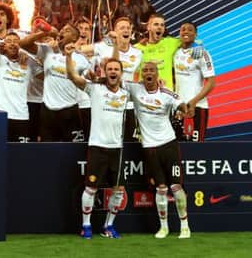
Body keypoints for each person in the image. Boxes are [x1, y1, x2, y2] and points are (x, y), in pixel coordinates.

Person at [124, 62, 192, 239]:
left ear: (157, 74)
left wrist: (185, 110)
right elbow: (114, 83)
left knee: (176, 186)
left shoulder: (167, 93)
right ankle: (164, 227)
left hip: (169, 144)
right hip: (149, 147)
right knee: (161, 188)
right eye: (145, 70)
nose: (148, 73)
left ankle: (185, 226)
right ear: (141, 74)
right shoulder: (135, 89)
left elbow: (181, 104)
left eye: (151, 70)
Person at [66, 53, 129, 239]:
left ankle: (109, 226)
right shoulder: (95, 89)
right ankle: (86, 226)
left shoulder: (126, 93)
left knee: (119, 190)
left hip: (117, 148)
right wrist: (69, 55)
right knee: (91, 188)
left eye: (116, 69)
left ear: (121, 73)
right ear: (105, 72)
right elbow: (73, 76)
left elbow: (147, 92)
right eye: (110, 69)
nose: (113, 72)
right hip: (97, 146)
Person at [20, 23, 89, 142]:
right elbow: (23, 44)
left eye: (66, 30)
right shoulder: (48, 51)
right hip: (48, 110)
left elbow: (87, 81)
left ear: (74, 37)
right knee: (48, 150)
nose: (61, 31)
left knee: (73, 151)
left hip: (70, 109)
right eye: (61, 29)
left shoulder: (81, 59)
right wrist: (45, 33)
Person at [93, 17, 143, 142]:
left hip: (129, 104)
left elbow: (136, 78)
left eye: (128, 28)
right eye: (122, 28)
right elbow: (113, 64)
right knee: (109, 139)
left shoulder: (138, 53)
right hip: (108, 102)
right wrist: (113, 44)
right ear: (114, 31)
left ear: (131, 32)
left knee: (129, 141)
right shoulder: (104, 48)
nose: (125, 30)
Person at [0, 27, 34, 142]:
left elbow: (44, 70)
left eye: (16, 41)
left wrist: (27, 54)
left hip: (22, 116)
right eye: (9, 41)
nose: (13, 44)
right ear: (4, 45)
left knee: (22, 154)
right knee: (0, 151)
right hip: (1, 115)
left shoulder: (28, 62)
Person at [174, 22, 215, 142]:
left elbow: (211, 82)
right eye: (183, 29)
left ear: (196, 34)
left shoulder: (202, 53)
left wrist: (193, 101)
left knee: (196, 148)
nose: (186, 32)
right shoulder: (174, 52)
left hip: (197, 107)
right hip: (178, 108)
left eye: (190, 30)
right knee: (177, 147)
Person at [135, 13, 181, 90]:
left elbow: (191, 39)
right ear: (148, 27)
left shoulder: (170, 43)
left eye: (162, 25)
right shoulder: (137, 48)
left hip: (166, 95)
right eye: (156, 24)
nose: (159, 27)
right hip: (145, 95)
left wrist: (196, 46)